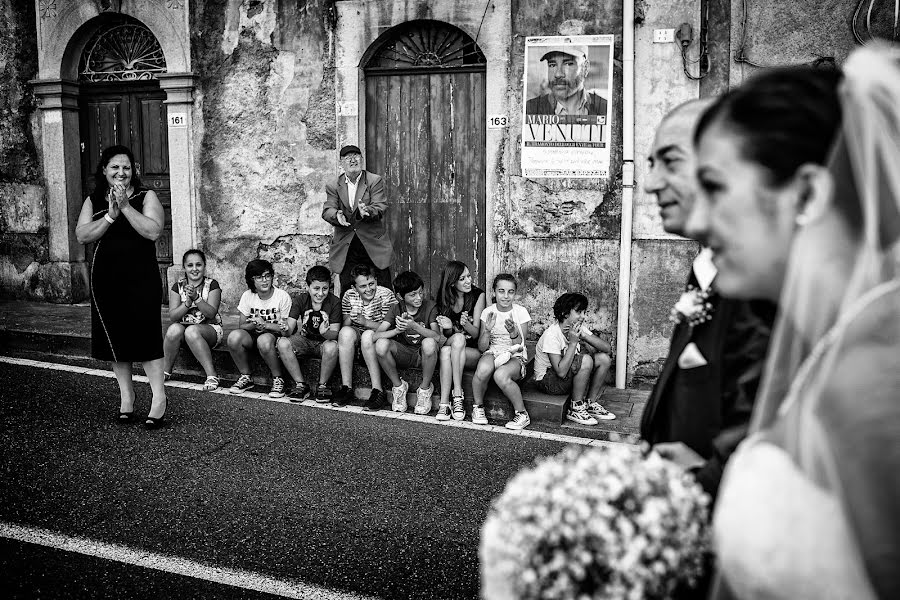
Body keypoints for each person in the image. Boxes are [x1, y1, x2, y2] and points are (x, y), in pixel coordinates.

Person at [690, 49, 899, 600]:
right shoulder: (839, 344)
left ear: (806, 193)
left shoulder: (871, 378)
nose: (698, 222)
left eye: (714, 187)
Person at [640, 99, 775, 501]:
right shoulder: (704, 268)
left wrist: (698, 484)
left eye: (671, 161)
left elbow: (763, 428)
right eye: (650, 164)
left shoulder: (758, 283)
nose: (650, 183)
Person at [75, 145, 167, 429]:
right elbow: (82, 235)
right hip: (106, 278)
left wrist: (125, 207)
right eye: (115, 167)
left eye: (126, 167)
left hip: (141, 277)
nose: (121, 172)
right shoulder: (93, 199)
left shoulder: (145, 196)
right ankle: (126, 397)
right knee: (115, 338)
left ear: (133, 170)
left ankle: (159, 398)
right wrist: (111, 215)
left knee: (146, 336)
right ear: (105, 170)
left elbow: (152, 231)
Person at [533, 292, 615, 426]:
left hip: (563, 376)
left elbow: (607, 349)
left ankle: (590, 402)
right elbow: (560, 372)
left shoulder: (577, 328)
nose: (583, 316)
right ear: (565, 313)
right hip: (548, 381)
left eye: (584, 312)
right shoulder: (552, 335)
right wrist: (573, 343)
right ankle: (575, 407)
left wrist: (584, 335)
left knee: (604, 359)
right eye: (579, 312)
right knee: (586, 359)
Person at [322, 144, 394, 294]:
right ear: (341, 162)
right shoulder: (333, 185)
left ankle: (386, 316)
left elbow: (380, 205)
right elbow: (327, 209)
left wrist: (366, 211)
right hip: (347, 244)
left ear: (362, 159)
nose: (352, 160)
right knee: (348, 289)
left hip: (372, 242)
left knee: (383, 287)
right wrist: (337, 215)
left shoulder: (374, 180)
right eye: (348, 157)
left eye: (356, 156)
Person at [372, 271, 441, 414]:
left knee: (429, 343)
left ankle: (425, 389)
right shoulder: (396, 308)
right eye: (413, 294)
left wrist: (414, 326)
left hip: (424, 355)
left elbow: (437, 337)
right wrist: (397, 330)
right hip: (403, 353)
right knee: (381, 345)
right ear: (400, 296)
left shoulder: (430, 306)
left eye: (421, 292)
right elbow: (375, 336)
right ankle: (399, 386)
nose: (419, 297)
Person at [471, 274, 532, 430]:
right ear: (494, 292)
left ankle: (522, 414)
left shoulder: (521, 312)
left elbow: (520, 345)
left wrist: (513, 333)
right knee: (483, 369)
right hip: (494, 351)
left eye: (510, 292)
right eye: (501, 291)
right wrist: (487, 331)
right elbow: (482, 348)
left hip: (514, 354)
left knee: (500, 375)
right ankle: (478, 407)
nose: (505, 296)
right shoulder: (487, 312)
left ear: (515, 293)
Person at [335, 263, 398, 410]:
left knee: (368, 335)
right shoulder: (349, 296)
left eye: (371, 284)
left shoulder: (385, 294)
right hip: (357, 333)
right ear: (354, 287)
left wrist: (366, 322)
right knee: (345, 333)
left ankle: (377, 390)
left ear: (376, 280)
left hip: (379, 334)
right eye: (363, 286)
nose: (368, 289)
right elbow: (345, 325)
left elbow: (391, 326)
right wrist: (351, 317)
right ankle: (346, 387)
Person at [227, 259, 293, 398]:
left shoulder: (282, 296)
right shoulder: (248, 296)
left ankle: (278, 379)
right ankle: (246, 377)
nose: (264, 281)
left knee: (264, 339)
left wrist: (265, 325)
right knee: (234, 337)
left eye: (267, 276)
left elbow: (286, 329)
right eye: (259, 277)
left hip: (273, 335)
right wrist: (255, 324)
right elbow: (242, 325)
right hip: (253, 334)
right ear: (252, 280)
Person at [276, 265, 341, 403]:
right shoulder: (300, 300)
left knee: (332, 347)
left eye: (325, 288)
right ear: (308, 287)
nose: (321, 293)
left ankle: (322, 385)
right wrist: (284, 327)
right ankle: (300, 385)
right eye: (316, 288)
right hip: (305, 340)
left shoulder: (334, 302)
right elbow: (289, 329)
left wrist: (325, 332)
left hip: (324, 343)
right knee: (282, 342)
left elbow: (335, 334)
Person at [162, 249, 224, 391]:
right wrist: (187, 303)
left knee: (192, 331)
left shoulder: (212, 285)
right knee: (173, 329)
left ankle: (212, 375)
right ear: (184, 267)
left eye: (198, 265)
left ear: (204, 266)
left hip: (210, 330)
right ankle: (166, 371)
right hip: (185, 331)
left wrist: (197, 298)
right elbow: (173, 316)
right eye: (190, 265)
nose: (194, 269)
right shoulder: (177, 287)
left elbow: (211, 313)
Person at [434, 261, 486, 421]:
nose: (468, 281)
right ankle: (451, 400)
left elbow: (476, 334)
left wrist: (466, 324)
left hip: (473, 352)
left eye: (469, 276)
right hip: (455, 346)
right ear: (452, 282)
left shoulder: (478, 295)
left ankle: (451, 398)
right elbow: (446, 335)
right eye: (462, 278)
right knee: (453, 342)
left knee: (448, 349)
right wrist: (449, 327)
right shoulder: (444, 299)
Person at [525, 46, 607, 116]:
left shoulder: (606, 109)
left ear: (585, 68)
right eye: (552, 65)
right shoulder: (529, 109)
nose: (558, 74)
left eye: (568, 64)